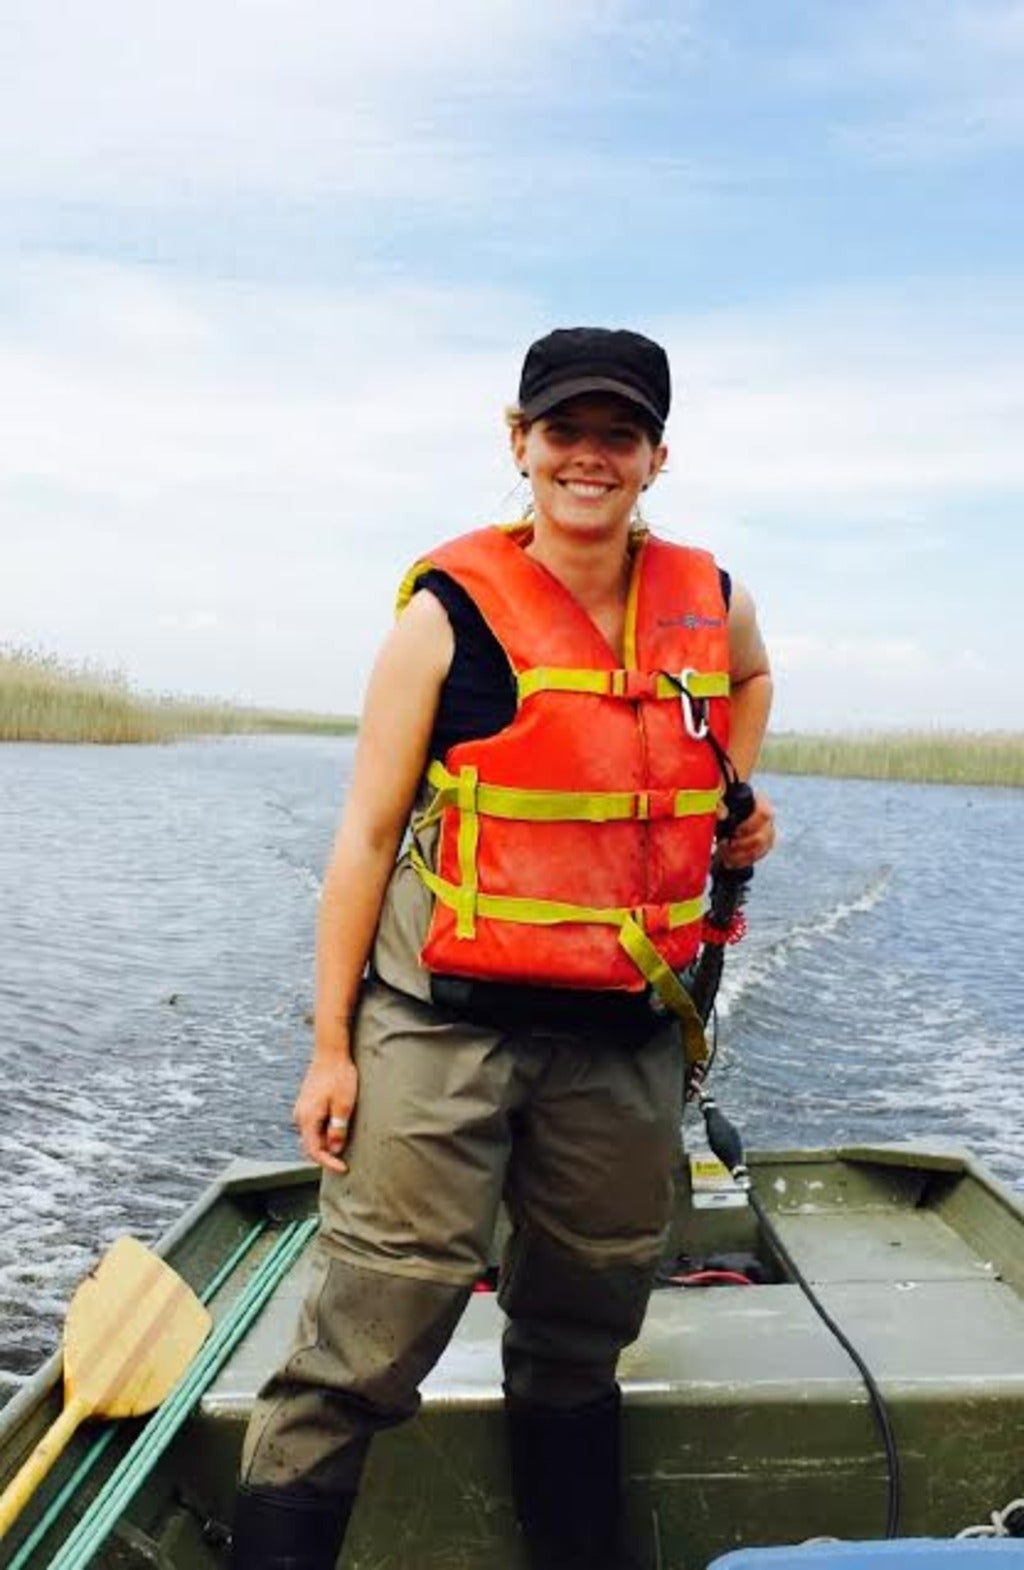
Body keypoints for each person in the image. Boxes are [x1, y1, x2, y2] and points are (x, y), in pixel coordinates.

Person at [232, 327, 776, 1570]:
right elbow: (365, 843)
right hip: (443, 1026)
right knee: (375, 1323)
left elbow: (749, 676)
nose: (589, 457)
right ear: (517, 441)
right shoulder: (445, 617)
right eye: (564, 431)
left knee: (587, 1321)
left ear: (656, 457)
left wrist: (729, 787)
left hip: (621, 1035)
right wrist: (330, 1049)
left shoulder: (714, 595)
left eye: (618, 436)